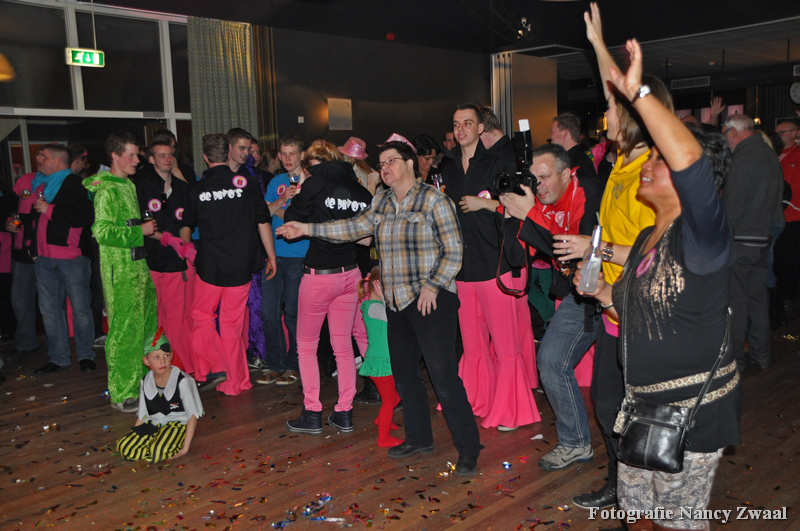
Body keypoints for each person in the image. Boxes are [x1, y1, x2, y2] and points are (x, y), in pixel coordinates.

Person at [575, 37, 740, 531]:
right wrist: (598, 290)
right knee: (638, 513)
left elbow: (688, 160)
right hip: (642, 406)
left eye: (660, 161)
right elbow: (629, 301)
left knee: (676, 522)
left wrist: (638, 93)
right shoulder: (651, 235)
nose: (647, 163)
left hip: (690, 411)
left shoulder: (703, 235)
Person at [277, 136, 482, 476]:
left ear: (410, 164)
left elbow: (454, 250)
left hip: (431, 300)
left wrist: (432, 286)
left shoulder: (433, 199)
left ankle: (469, 449)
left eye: (391, 161)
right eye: (381, 163)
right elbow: (353, 227)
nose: (384, 168)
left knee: (443, 376)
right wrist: (306, 228)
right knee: (404, 374)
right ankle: (419, 439)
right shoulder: (382, 201)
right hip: (396, 301)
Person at [553, 2, 670, 510]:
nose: (606, 116)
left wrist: (593, 247)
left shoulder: (653, 171)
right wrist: (598, 43)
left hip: (640, 309)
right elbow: (612, 88)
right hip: (611, 303)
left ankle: (640, 492)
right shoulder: (623, 161)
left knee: (632, 408)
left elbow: (656, 251)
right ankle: (621, 484)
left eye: (616, 111)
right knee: (607, 404)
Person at [498, 143, 602, 471]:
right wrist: (515, 215)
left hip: (613, 292)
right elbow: (524, 253)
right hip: (578, 294)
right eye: (535, 178)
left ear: (567, 173)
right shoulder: (542, 202)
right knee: (551, 361)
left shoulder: (588, 194)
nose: (539, 185)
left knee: (619, 384)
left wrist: (530, 214)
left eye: (544, 178)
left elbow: (571, 249)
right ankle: (575, 443)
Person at [442, 103, 539, 431]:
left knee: (506, 344)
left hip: (495, 262)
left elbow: (523, 205)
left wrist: (485, 203)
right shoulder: (449, 167)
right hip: (463, 267)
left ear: (480, 127)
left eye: (467, 123)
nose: (461, 129)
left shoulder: (500, 161)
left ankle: (513, 410)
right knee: (472, 344)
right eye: (456, 124)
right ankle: (477, 398)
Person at [280, 142, 373, 434]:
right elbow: (367, 239)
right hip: (350, 274)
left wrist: (304, 188)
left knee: (306, 346)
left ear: (310, 165)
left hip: (320, 276)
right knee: (343, 346)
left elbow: (291, 220)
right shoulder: (360, 190)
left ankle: (312, 412)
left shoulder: (314, 184)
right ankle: (344, 412)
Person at [182, 133, 277, 396]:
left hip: (210, 267)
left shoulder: (197, 189)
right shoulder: (246, 184)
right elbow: (263, 221)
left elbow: (186, 224)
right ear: (227, 154)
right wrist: (271, 256)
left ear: (205, 157)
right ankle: (236, 382)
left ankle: (215, 368)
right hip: (241, 265)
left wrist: (187, 251)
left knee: (202, 317)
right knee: (232, 326)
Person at [84, 132, 159, 413]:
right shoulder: (107, 189)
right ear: (115, 156)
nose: (137, 160)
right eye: (131, 155)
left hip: (138, 267)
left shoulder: (127, 184)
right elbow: (102, 231)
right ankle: (122, 392)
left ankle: (141, 384)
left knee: (144, 327)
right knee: (124, 332)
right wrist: (140, 231)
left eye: (137, 154)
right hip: (121, 272)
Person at [721, 114, 784, 371]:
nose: (726, 140)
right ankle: (762, 354)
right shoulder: (769, 154)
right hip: (762, 238)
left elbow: (732, 206)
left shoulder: (743, 157)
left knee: (737, 301)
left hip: (741, 240)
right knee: (758, 299)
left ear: (734, 133)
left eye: (725, 134)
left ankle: (736, 359)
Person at [29, 144, 96, 376]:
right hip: (43, 259)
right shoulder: (40, 184)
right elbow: (34, 220)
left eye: (44, 156)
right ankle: (58, 358)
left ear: (58, 162)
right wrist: (33, 248)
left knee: (81, 311)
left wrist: (50, 209)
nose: (38, 159)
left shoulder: (76, 184)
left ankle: (86, 356)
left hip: (71, 258)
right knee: (49, 312)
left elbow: (85, 216)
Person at [135, 139, 196, 373]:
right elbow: (143, 226)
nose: (168, 159)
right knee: (158, 317)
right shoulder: (143, 186)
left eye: (170, 155)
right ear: (151, 160)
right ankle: (159, 367)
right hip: (153, 260)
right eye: (162, 156)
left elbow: (186, 222)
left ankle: (181, 366)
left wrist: (185, 245)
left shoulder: (182, 188)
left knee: (179, 319)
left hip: (177, 265)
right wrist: (169, 240)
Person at [258, 135, 307, 386]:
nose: (287, 158)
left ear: (302, 155)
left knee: (293, 314)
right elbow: (263, 214)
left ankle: (294, 365)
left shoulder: (311, 181)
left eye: (292, 153)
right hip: (274, 254)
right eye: (283, 154)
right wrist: (280, 201)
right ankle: (275, 365)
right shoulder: (276, 181)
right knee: (269, 313)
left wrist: (279, 208)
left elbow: (300, 219)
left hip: (300, 256)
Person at [116, 329, 203, 463]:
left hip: (177, 424)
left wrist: (185, 448)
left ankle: (162, 444)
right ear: (146, 361)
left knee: (157, 452)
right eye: (156, 357)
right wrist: (136, 436)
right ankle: (156, 442)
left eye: (166, 356)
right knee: (124, 447)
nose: (163, 361)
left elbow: (192, 416)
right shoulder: (146, 381)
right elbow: (143, 415)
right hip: (155, 422)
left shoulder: (183, 381)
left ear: (171, 356)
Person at [357, 266, 403, 448]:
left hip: (384, 360)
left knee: (397, 396)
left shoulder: (375, 306)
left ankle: (382, 420)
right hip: (380, 362)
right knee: (388, 401)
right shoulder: (375, 307)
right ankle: (383, 438)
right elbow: (395, 318)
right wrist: (386, 298)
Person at [5, 164, 41, 366]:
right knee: (19, 300)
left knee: (53, 304)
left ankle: (61, 349)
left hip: (48, 251)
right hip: (22, 251)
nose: (40, 158)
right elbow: (8, 208)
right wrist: (9, 221)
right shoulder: (25, 180)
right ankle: (27, 343)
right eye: (39, 155)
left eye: (45, 155)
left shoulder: (63, 181)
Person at [548, 112, 598, 180]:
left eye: (552, 131)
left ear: (564, 133)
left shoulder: (580, 164)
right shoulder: (574, 159)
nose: (549, 136)